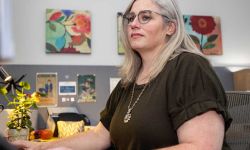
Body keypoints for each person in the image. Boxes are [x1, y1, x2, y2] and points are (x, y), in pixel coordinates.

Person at [13, 0, 232, 149]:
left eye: (146, 17)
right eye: (131, 18)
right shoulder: (128, 80)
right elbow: (99, 135)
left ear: (170, 28)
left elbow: (201, 146)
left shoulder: (189, 67)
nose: (133, 24)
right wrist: (43, 146)